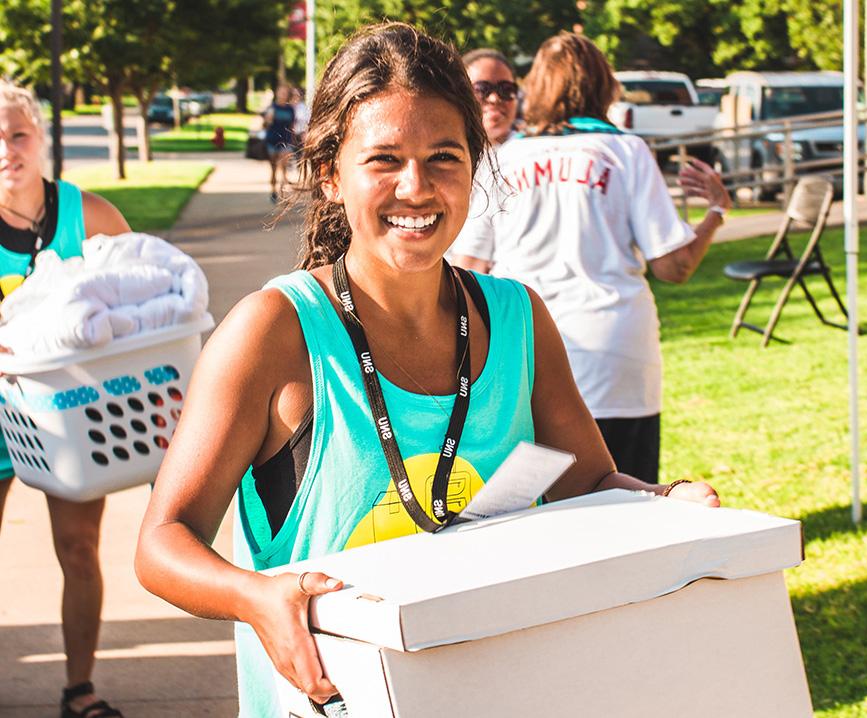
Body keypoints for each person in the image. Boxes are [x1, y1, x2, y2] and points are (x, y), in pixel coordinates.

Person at [133, 23, 720, 718]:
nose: (417, 188)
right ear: (330, 173)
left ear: (476, 163)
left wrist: (656, 501)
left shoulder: (517, 319)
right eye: (384, 159)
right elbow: (163, 542)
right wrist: (257, 598)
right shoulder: (277, 333)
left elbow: (587, 482)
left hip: (494, 687)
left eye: (444, 157)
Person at [450, 33, 733, 485]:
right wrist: (715, 213)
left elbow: (468, 270)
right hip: (617, 351)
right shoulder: (625, 152)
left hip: (528, 356)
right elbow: (673, 266)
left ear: (536, 89)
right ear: (605, 86)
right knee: (630, 496)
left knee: (540, 508)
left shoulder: (504, 159)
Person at [0, 80, 130, 718]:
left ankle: (80, 690)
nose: (6, 148)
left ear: (42, 139)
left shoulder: (91, 217)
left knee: (79, 549)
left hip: (71, 420)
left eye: (18, 133)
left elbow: (143, 296)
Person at [449, 49, 520, 273]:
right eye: (482, 90)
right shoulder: (438, 155)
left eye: (506, 90)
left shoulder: (526, 158)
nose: (495, 99)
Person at [263, 85, 297, 203]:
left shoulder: (290, 109)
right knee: (273, 168)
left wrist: (293, 141)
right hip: (272, 141)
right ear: (277, 94)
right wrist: (268, 119)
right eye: (281, 92)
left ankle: (282, 193)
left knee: (283, 167)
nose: (282, 95)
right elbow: (265, 125)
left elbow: (292, 126)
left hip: (286, 142)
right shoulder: (272, 107)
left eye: (285, 93)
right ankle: (273, 191)